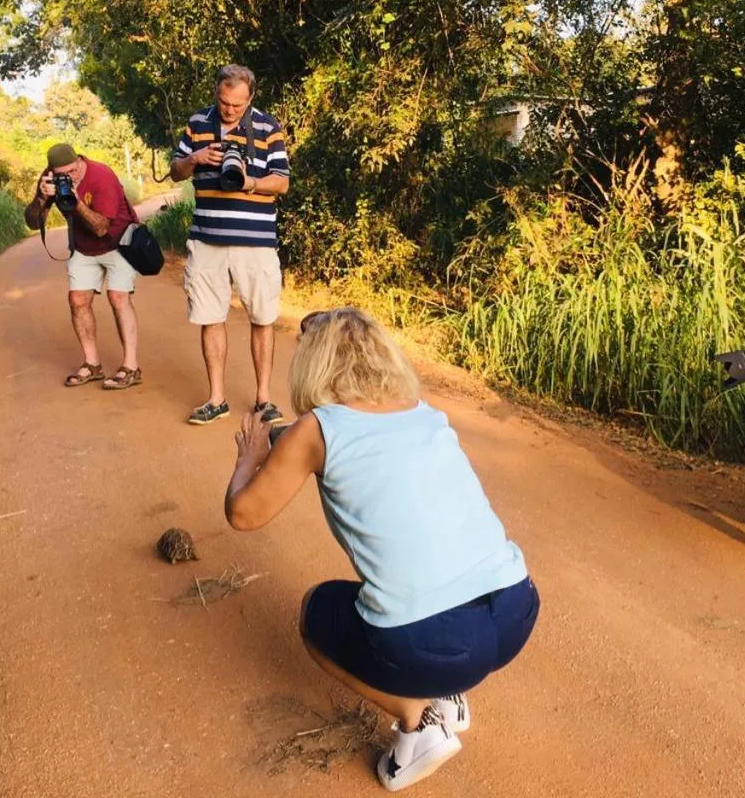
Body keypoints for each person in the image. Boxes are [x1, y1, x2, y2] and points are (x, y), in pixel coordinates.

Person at [223, 308, 539, 791]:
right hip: (515, 610)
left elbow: (243, 514)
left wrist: (248, 460)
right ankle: (449, 692)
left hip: (439, 643)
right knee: (436, 587)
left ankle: (420, 720)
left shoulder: (318, 429)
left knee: (317, 612)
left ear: (313, 365)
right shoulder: (423, 414)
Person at [169, 64, 290, 426]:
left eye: (238, 105)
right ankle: (216, 398)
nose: (230, 111)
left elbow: (282, 182)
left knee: (263, 317)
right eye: (224, 102)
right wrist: (194, 159)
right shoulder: (197, 123)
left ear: (250, 97)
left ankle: (264, 399)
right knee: (210, 316)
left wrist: (248, 183)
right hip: (207, 239)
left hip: (256, 241)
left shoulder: (268, 127)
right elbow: (175, 170)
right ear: (216, 93)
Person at [24, 142, 142, 390]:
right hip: (83, 247)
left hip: (119, 242)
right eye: (62, 174)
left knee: (118, 297)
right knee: (77, 300)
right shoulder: (50, 179)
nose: (69, 177)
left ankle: (131, 367)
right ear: (53, 172)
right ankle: (92, 364)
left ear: (80, 161)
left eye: (73, 171)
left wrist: (75, 202)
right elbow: (33, 223)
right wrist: (42, 198)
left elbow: (101, 228)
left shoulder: (101, 175)